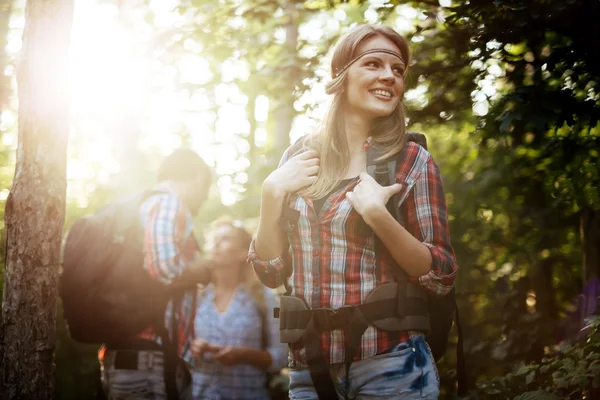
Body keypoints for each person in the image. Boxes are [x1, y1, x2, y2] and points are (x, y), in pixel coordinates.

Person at [248, 24, 458, 399]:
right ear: (341, 76)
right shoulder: (298, 158)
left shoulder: (411, 161)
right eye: (373, 64)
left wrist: (379, 215)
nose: (388, 76)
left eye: (397, 70)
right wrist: (270, 194)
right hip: (309, 369)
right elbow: (271, 270)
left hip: (393, 364)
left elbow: (441, 275)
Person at [100, 148, 213, 400]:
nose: (204, 197)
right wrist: (204, 271)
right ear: (197, 178)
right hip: (149, 358)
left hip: (135, 356)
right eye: (205, 187)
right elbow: (164, 268)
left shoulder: (139, 207)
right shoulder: (169, 203)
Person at [191, 218, 288, 400]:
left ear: (243, 253)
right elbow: (180, 352)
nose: (216, 243)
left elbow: (280, 357)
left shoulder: (263, 298)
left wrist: (244, 355)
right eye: (214, 238)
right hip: (200, 394)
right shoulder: (196, 297)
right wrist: (194, 347)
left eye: (226, 238)